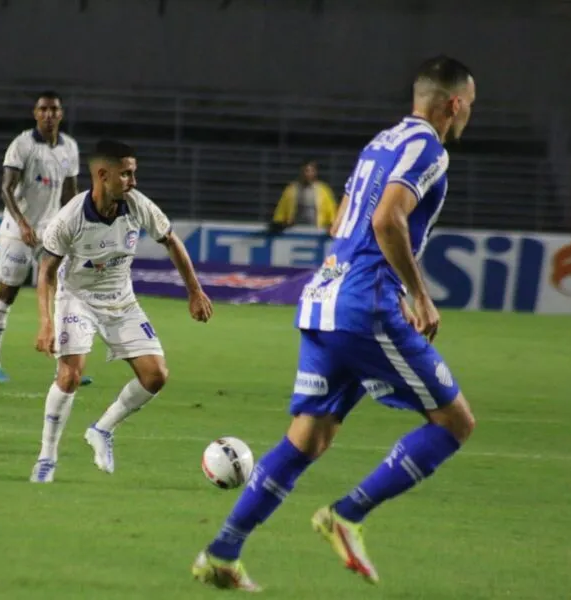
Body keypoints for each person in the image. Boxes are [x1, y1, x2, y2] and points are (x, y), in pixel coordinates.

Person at [192, 55, 477, 591]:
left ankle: (221, 552)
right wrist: (418, 293)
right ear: (453, 104)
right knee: (455, 422)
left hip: (323, 297)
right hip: (365, 305)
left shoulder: (380, 143)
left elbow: (346, 215)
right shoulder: (428, 149)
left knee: (308, 438)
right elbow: (385, 217)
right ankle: (347, 515)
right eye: (469, 108)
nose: (468, 118)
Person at [30, 140, 213, 483]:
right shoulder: (70, 218)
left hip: (121, 300)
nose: (133, 181)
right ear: (103, 175)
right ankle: (47, 457)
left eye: (134, 173)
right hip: (78, 299)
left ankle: (102, 429)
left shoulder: (137, 206)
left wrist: (195, 290)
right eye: (126, 174)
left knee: (156, 375)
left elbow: (171, 240)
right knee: (69, 375)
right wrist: (45, 323)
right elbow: (47, 272)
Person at [0, 91, 92, 385]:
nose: (48, 114)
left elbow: (71, 192)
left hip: (51, 232)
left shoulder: (69, 147)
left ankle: (66, 366)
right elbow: (6, 188)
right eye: (43, 109)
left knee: (62, 294)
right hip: (18, 233)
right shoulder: (22, 144)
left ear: (61, 114)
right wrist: (22, 223)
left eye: (53, 109)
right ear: (35, 113)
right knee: (7, 293)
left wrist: (75, 226)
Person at [268, 160, 338, 235]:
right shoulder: (291, 190)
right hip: (294, 232)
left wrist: (333, 226)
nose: (308, 174)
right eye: (306, 171)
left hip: (317, 232)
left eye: (311, 171)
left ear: (315, 172)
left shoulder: (324, 190)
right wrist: (278, 223)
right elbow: (281, 211)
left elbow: (332, 212)